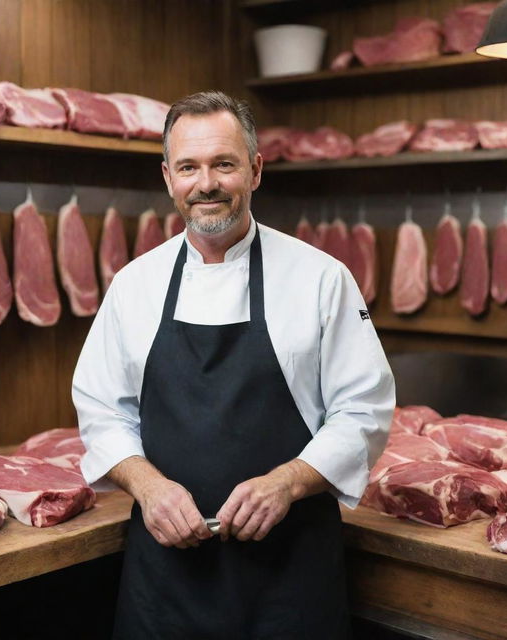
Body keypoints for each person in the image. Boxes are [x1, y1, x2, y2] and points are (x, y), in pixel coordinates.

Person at [72, 90, 395, 639]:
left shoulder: (321, 278)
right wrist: (149, 488)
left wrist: (287, 483)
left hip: (290, 575)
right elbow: (104, 411)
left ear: (255, 170)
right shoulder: (134, 285)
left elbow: (362, 411)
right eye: (188, 167)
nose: (207, 184)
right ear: (168, 178)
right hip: (166, 580)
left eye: (224, 163)